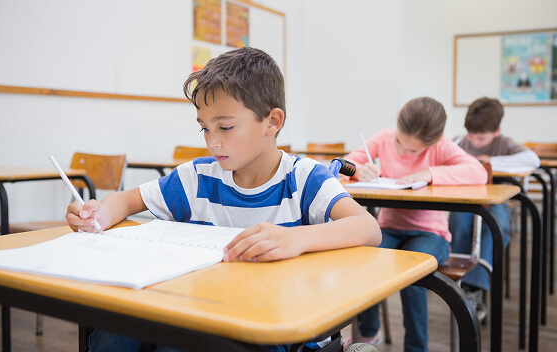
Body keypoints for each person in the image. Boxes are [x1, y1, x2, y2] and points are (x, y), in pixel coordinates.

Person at [65, 47, 381, 352]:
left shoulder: (304, 178)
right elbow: (127, 200)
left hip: (275, 320)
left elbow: (368, 228)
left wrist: (295, 238)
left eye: (226, 127)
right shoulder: (197, 177)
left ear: (272, 122)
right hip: (198, 308)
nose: (213, 142)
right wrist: (102, 213)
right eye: (204, 128)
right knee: (112, 335)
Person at [345, 97, 488, 352]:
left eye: (412, 151)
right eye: (399, 141)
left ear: (432, 142)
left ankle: (416, 348)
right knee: (361, 260)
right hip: (388, 228)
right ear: (397, 125)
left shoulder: (441, 147)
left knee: (412, 271)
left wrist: (432, 173)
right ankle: (369, 332)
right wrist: (358, 169)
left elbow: (478, 172)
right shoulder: (384, 137)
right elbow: (343, 164)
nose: (401, 151)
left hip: (431, 234)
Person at [448, 97, 540, 319]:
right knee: (459, 222)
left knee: (495, 226)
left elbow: (532, 160)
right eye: (471, 135)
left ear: (497, 130)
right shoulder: (460, 142)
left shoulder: (505, 143)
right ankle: (461, 281)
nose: (475, 141)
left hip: (497, 202)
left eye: (481, 137)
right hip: (466, 200)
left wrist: (490, 162)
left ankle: (472, 288)